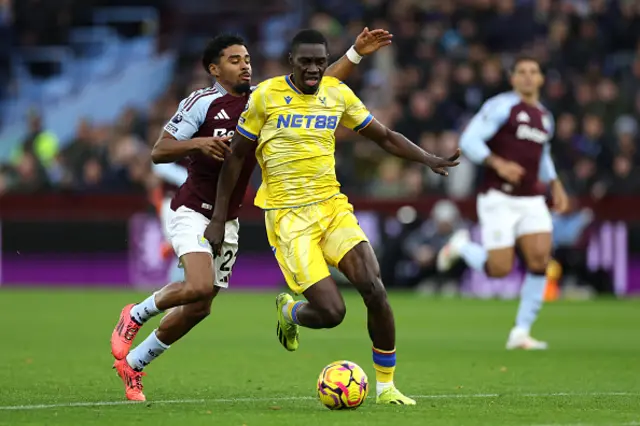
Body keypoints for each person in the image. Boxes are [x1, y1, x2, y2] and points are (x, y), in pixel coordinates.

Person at [109, 29, 394, 401]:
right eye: (234, 60)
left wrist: (355, 52)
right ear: (214, 69)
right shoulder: (202, 102)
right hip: (193, 209)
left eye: (246, 59)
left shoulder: (264, 96)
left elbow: (323, 82)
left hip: (228, 218)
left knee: (199, 308)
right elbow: (159, 151)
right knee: (195, 285)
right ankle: (135, 314)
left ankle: (134, 364)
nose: (245, 65)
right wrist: (199, 142)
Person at [205, 29, 460, 406]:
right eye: (305, 62)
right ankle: (290, 310)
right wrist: (218, 216)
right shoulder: (266, 96)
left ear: (326, 64)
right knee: (332, 312)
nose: (312, 69)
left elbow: (384, 136)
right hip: (288, 218)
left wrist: (427, 158)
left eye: (319, 62)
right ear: (291, 61)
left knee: (374, 288)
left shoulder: (336, 94)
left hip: (332, 208)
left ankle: (387, 387)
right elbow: (237, 157)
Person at [437, 56, 569, 350]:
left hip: (532, 198)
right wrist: (498, 163)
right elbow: (469, 139)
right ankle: (461, 247)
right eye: (521, 72)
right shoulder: (501, 106)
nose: (527, 77)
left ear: (541, 79)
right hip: (498, 197)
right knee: (499, 269)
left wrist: (556, 183)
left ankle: (520, 332)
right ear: (512, 79)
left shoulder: (545, 116)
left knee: (539, 261)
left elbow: (542, 154)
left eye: (533, 72)